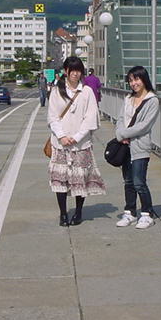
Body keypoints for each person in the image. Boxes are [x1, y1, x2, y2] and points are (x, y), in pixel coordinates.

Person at [47, 56, 106, 227]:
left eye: (78, 70)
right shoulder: (57, 91)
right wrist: (62, 136)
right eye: (72, 70)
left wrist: (77, 137)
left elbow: (91, 118)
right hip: (60, 144)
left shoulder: (87, 92)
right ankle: (63, 213)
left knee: (80, 178)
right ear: (66, 71)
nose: (75, 73)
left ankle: (78, 212)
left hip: (81, 144)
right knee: (61, 179)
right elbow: (52, 117)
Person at [114, 66, 160, 229]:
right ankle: (130, 212)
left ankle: (147, 214)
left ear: (144, 79)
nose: (134, 83)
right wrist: (120, 134)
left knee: (139, 181)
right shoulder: (128, 98)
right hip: (125, 146)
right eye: (131, 80)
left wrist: (124, 134)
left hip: (140, 146)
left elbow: (144, 126)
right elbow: (120, 118)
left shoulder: (152, 100)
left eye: (136, 79)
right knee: (128, 181)